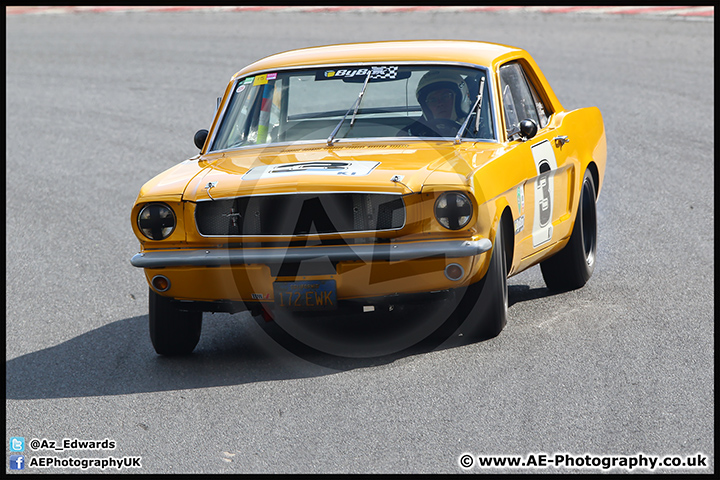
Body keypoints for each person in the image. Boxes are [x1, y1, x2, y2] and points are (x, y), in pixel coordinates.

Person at [400, 70, 470, 137]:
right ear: (426, 106)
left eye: (445, 96)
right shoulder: (410, 134)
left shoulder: (477, 129)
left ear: (459, 99)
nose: (439, 103)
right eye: (433, 100)